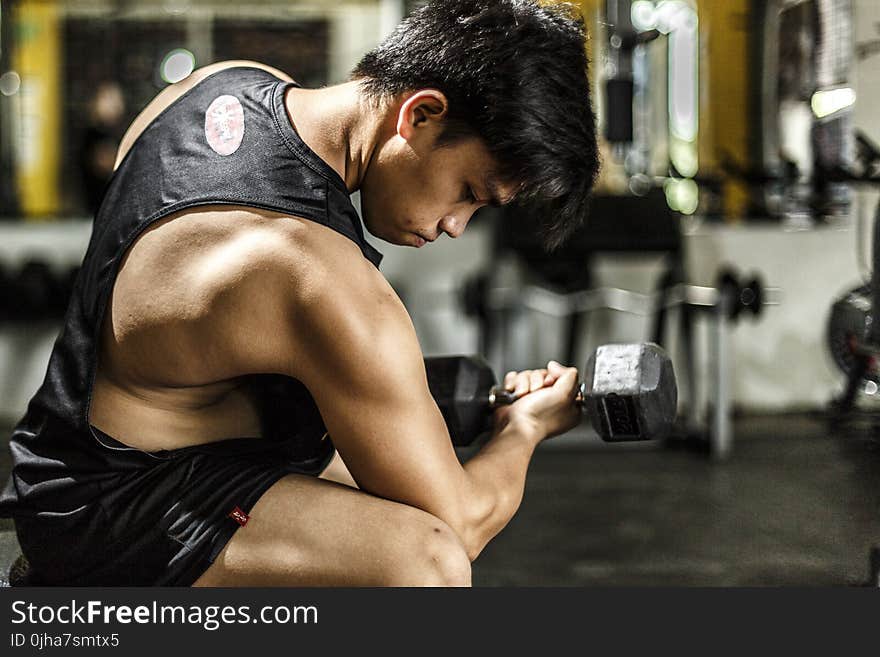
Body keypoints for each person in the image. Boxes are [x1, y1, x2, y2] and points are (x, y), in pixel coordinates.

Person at [0, 0, 599, 586]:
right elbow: (463, 521)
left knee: (378, 478)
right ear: (419, 114)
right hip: (109, 509)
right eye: (469, 191)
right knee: (427, 560)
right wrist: (523, 428)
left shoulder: (220, 87)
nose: (455, 224)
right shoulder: (316, 276)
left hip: (64, 451)